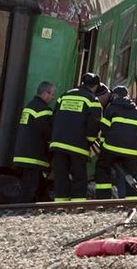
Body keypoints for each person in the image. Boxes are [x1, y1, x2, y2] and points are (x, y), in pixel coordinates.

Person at [49, 73, 105, 202]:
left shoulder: (64, 96)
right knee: (79, 176)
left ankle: (60, 203)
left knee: (61, 175)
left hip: (58, 143)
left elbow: (55, 116)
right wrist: (90, 142)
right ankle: (77, 203)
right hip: (78, 146)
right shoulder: (93, 100)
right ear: (95, 86)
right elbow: (94, 125)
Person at [94, 86, 137, 199]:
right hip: (131, 152)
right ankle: (132, 202)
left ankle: (103, 199)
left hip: (111, 148)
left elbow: (104, 130)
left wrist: (102, 146)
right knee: (131, 176)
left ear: (114, 96)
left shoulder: (111, 108)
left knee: (103, 168)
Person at [11, 81, 56, 202]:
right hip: (34, 156)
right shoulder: (44, 111)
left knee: (37, 184)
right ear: (46, 93)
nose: (53, 98)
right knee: (29, 187)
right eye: (52, 94)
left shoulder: (29, 107)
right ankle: (21, 210)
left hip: (22, 153)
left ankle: (43, 202)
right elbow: (48, 133)